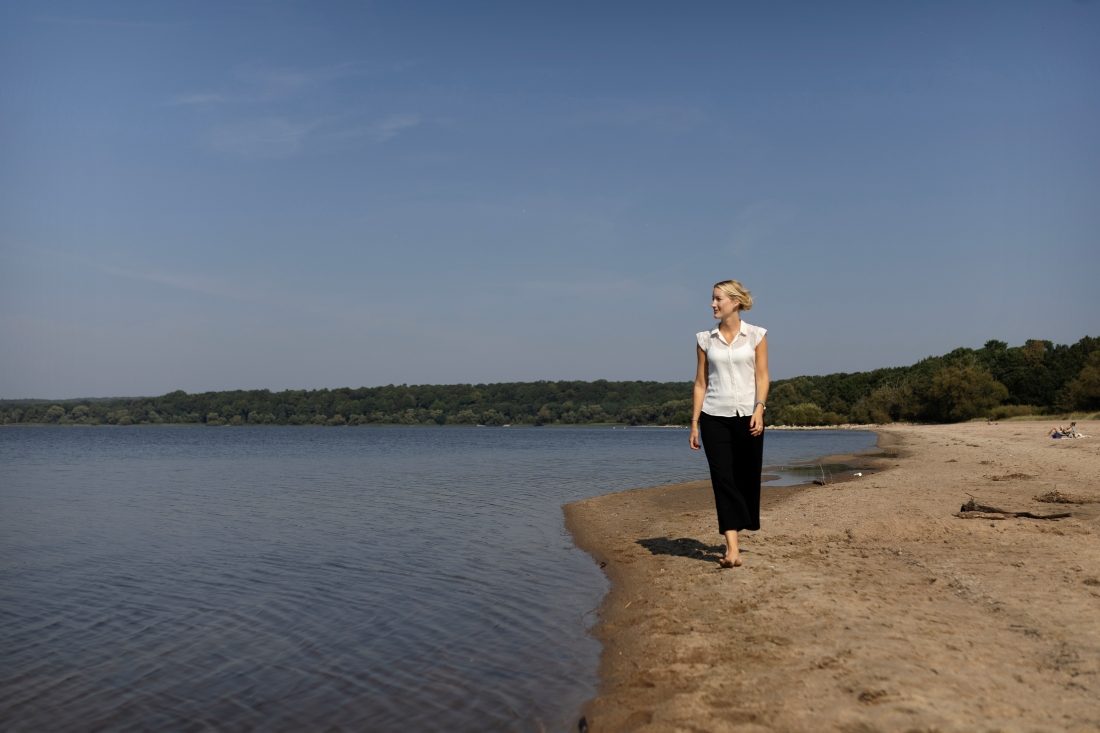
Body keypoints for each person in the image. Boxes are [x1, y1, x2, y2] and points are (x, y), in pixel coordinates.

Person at [690, 279, 770, 569]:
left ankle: (741, 527)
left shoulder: (756, 336)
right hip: (714, 418)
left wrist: (759, 409)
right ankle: (732, 549)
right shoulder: (704, 340)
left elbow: (762, 376)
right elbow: (701, 383)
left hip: (749, 416)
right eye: (712, 299)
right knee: (722, 480)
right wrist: (695, 422)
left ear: (735, 302)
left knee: (746, 478)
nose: (713, 304)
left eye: (718, 299)